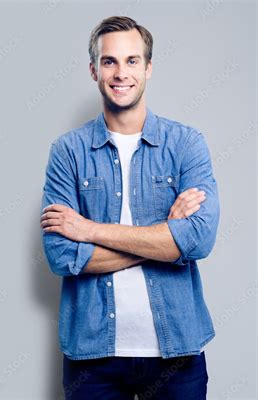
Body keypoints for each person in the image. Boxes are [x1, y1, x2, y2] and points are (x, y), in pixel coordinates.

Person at [39, 16, 220, 400]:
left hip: (178, 354)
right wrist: (163, 240)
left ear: (149, 68)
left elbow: (198, 240)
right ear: (94, 70)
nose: (121, 73)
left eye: (132, 61)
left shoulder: (186, 144)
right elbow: (60, 255)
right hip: (92, 357)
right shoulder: (67, 152)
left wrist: (88, 230)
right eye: (110, 62)